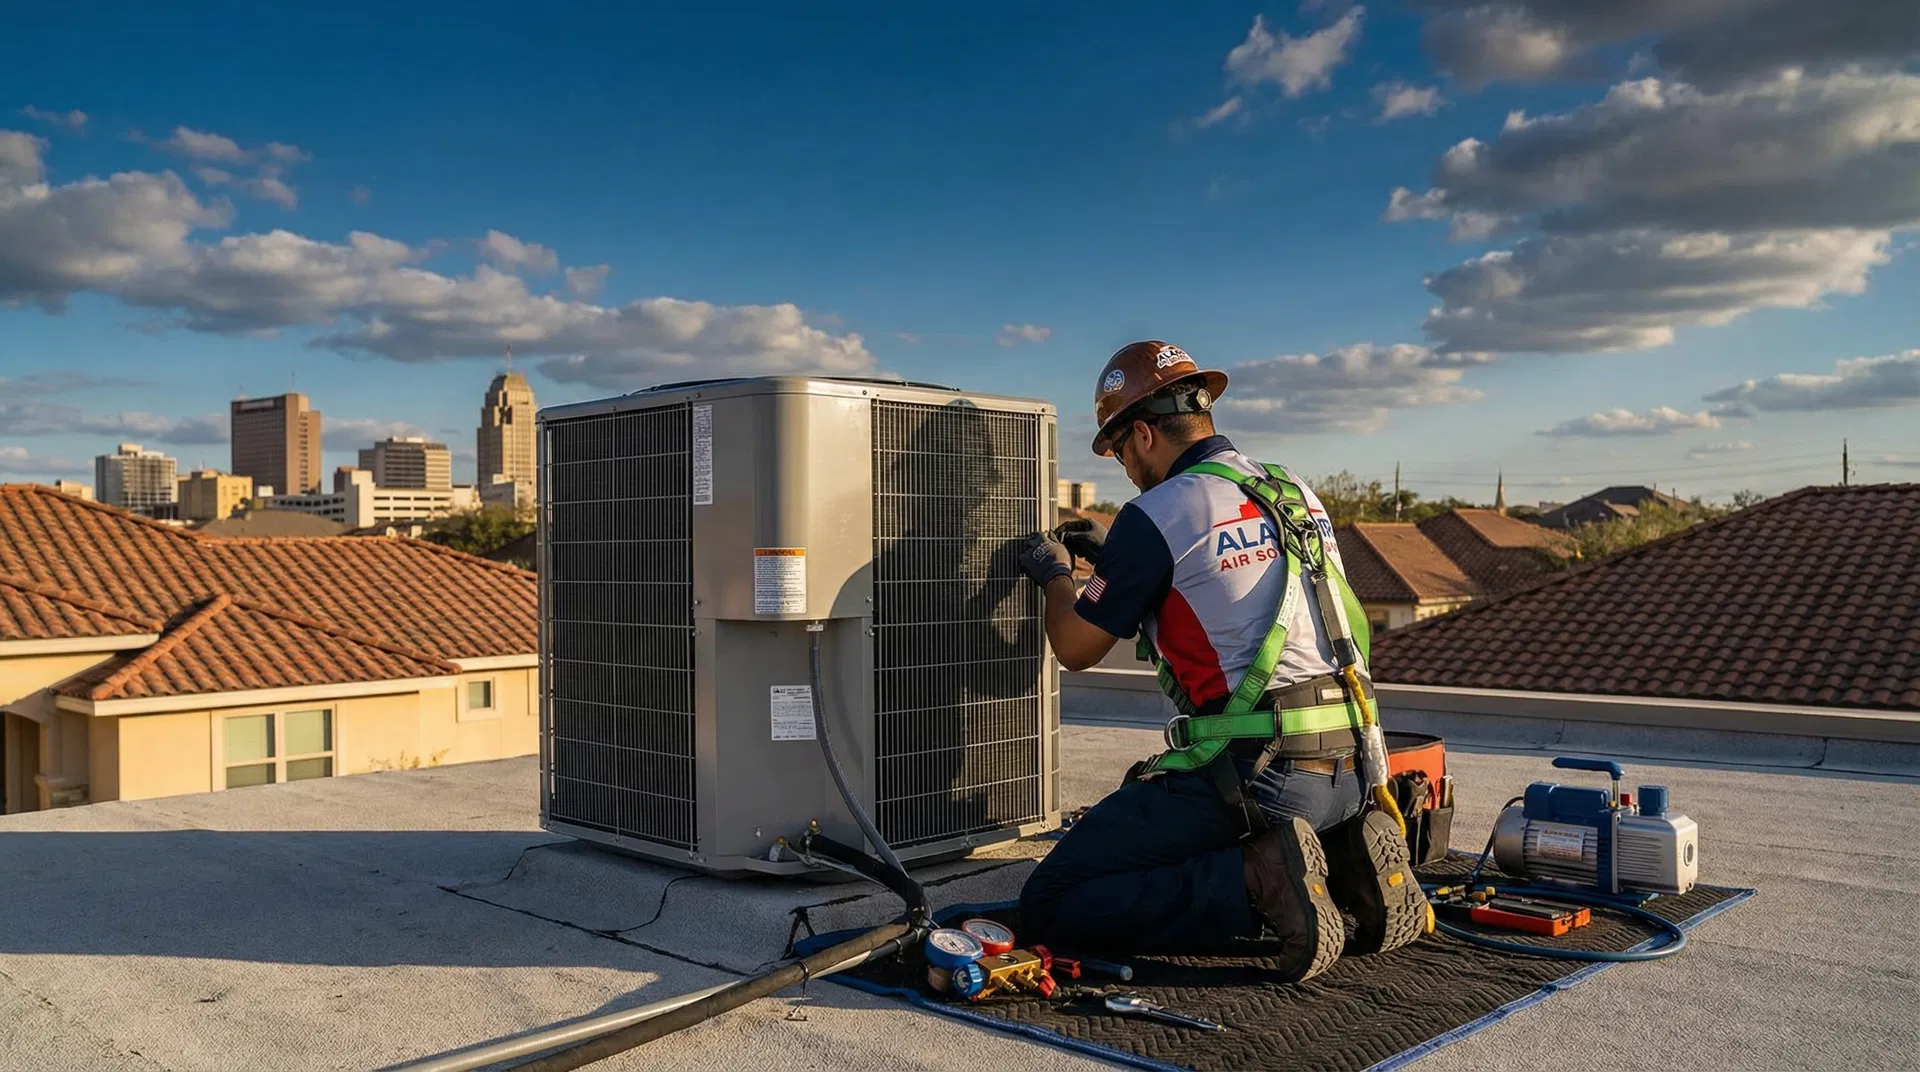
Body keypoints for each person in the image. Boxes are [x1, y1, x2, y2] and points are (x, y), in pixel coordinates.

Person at [1016, 340, 1429, 982]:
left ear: (1144, 434)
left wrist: (1056, 576)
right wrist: (1119, 559)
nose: (1127, 470)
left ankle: (1256, 881)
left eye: (1121, 452)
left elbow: (1075, 648)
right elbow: (1227, 577)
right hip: (1354, 767)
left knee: (1051, 901)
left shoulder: (1156, 513)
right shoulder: (1292, 488)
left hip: (1262, 776)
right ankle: (1348, 854)